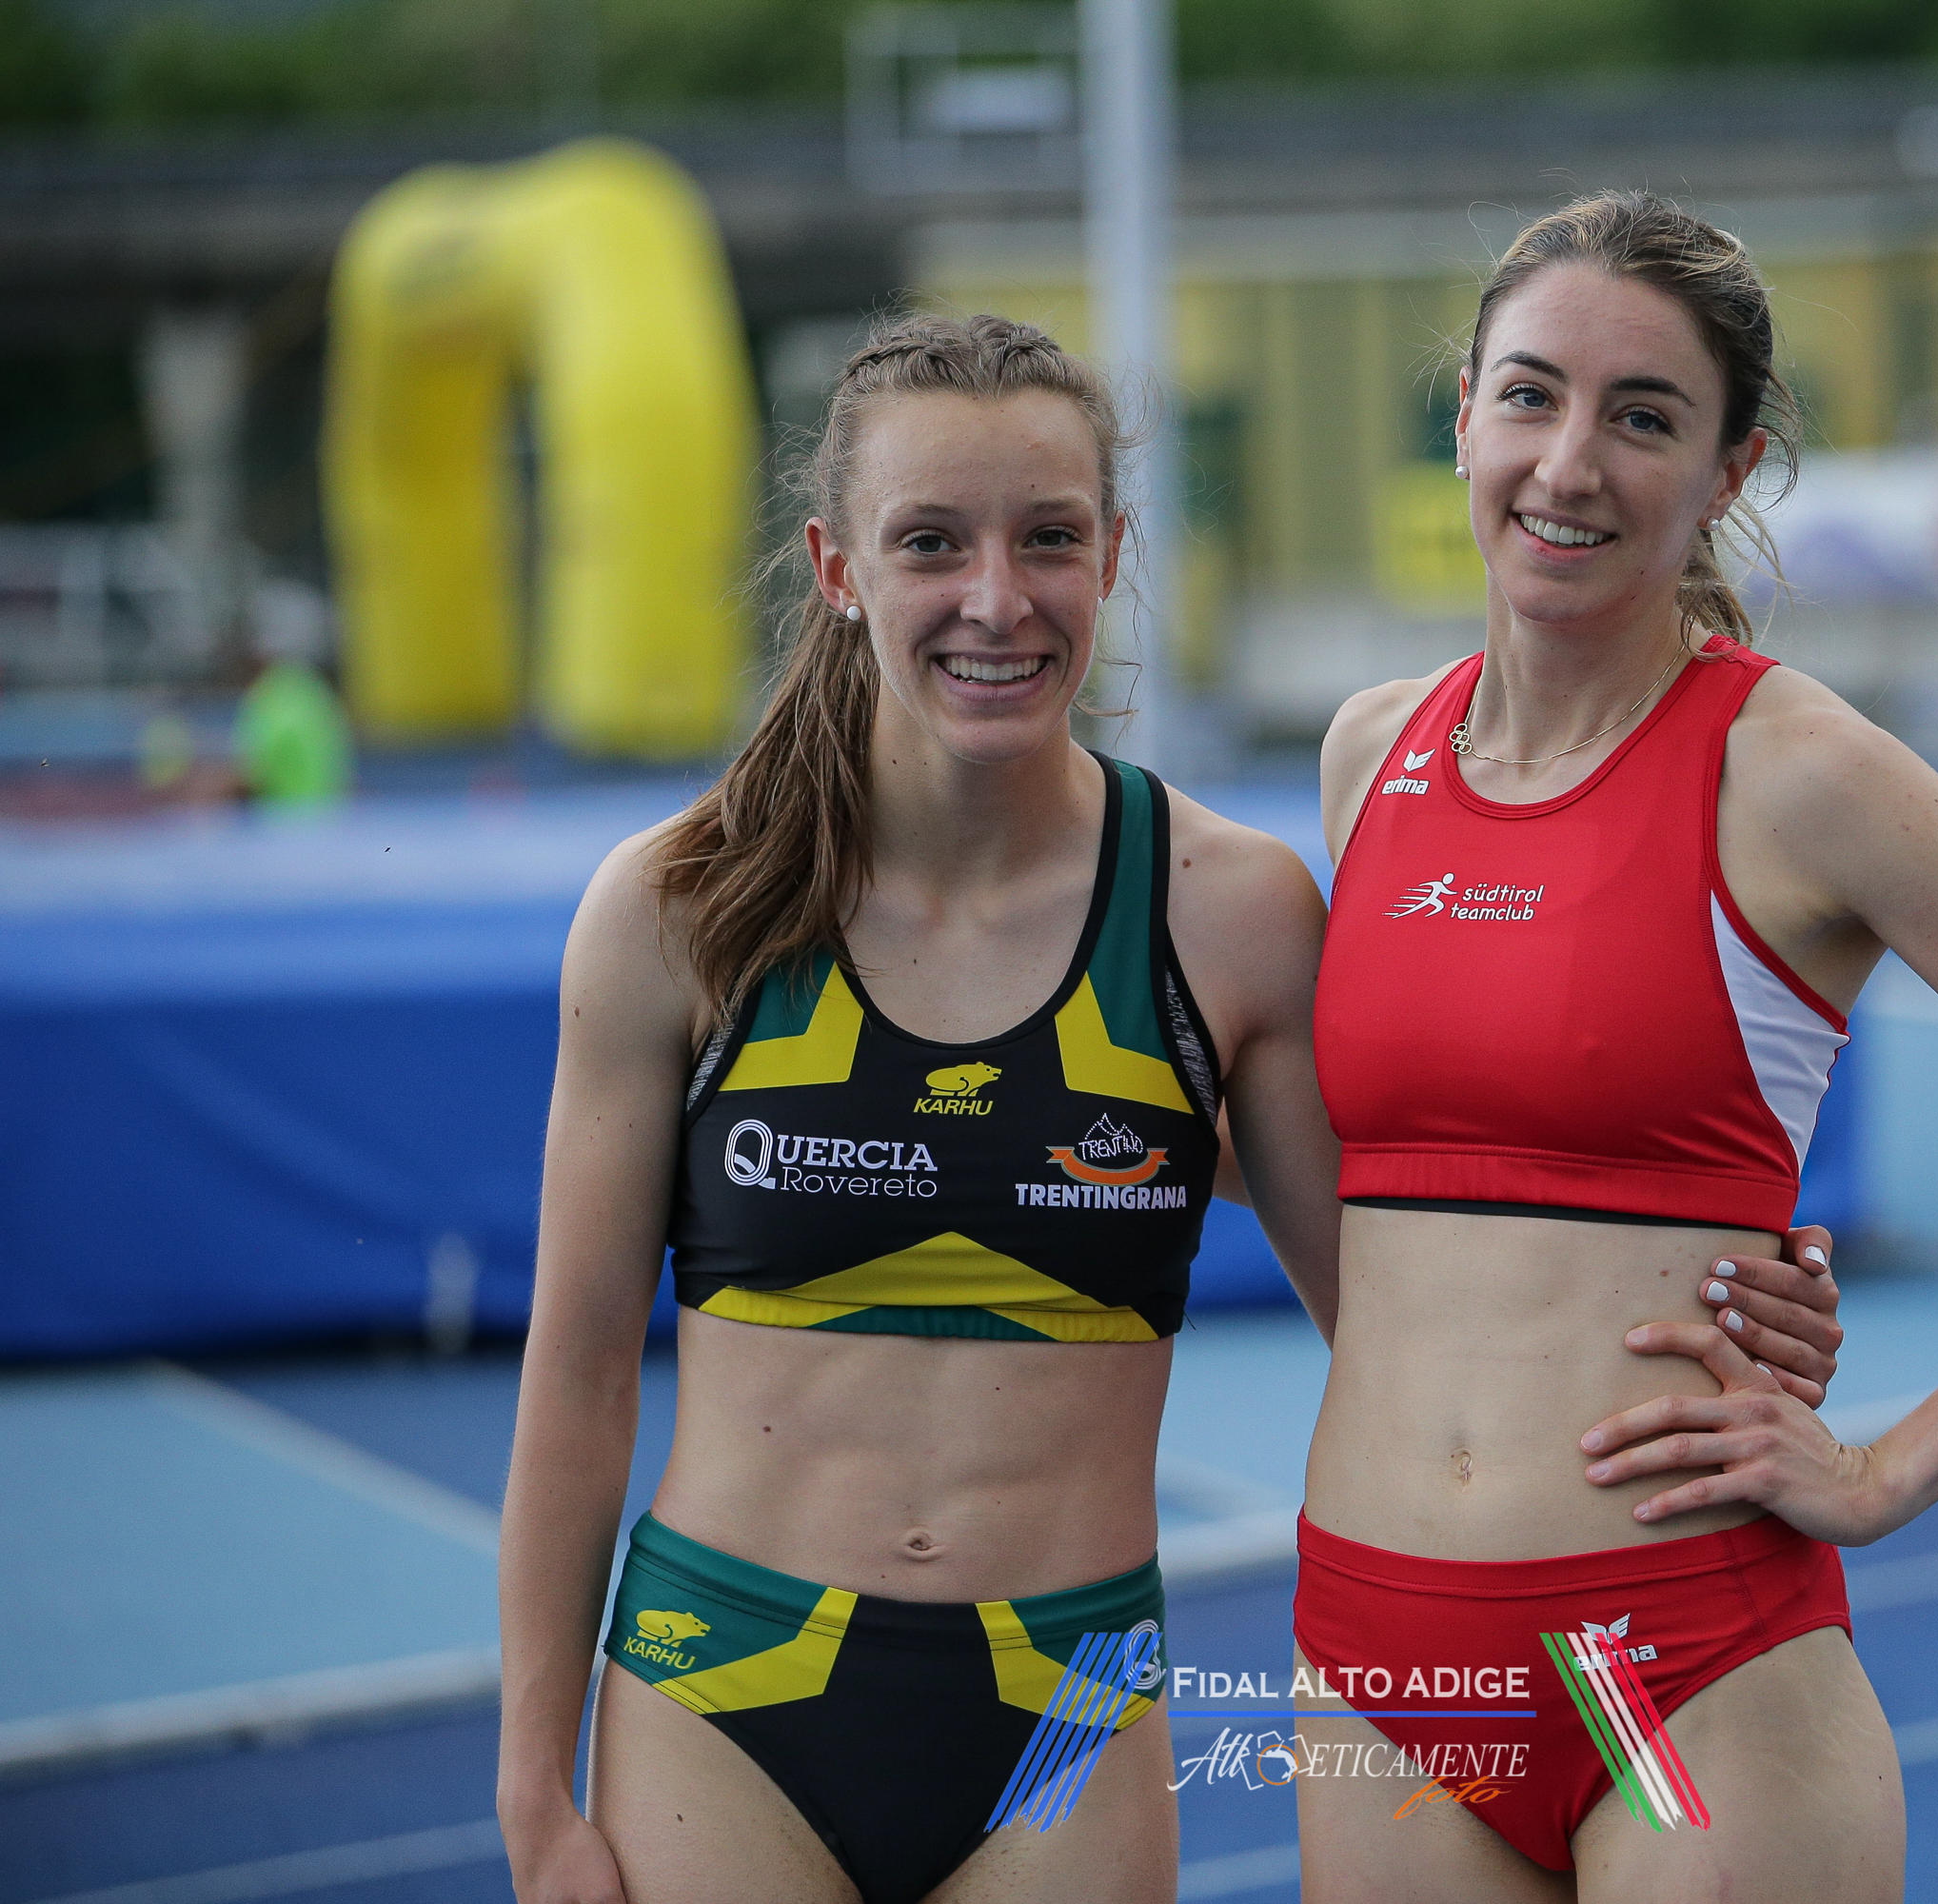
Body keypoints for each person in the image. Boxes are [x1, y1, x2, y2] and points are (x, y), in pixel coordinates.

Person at [494, 311, 1847, 1904]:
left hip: (1066, 1715)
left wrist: (1703, 1305)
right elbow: (579, 1376)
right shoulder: (682, 910)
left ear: (1115, 556)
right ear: (836, 566)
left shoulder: (1227, 915)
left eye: (1047, 539)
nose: (995, 599)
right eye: (930, 543)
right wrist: (532, 1794)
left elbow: (1417, 1296)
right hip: (718, 1689)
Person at [1294, 191, 1938, 1902]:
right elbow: (1394, 1199)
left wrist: (1894, 1464)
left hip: (1676, 1652)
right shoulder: (1367, 755)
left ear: (1728, 471)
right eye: (1529, 396)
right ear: (1462, 414)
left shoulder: (1801, 773)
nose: (1567, 464)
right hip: (1383, 1665)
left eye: (1642, 417)